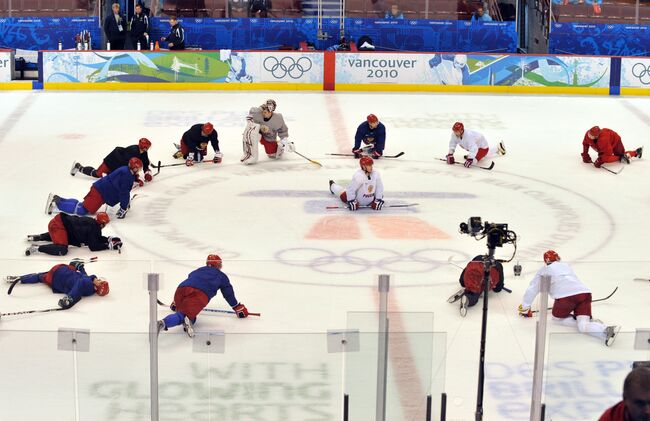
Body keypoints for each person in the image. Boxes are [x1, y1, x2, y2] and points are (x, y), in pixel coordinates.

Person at [518, 250, 619, 346]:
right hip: (585, 294)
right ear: (557, 258)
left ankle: (587, 322)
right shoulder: (566, 266)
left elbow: (533, 288)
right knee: (583, 326)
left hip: (566, 298)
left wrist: (525, 308)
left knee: (556, 318)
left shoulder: (544, 270)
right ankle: (605, 330)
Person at [158, 254, 249, 337]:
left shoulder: (197, 270)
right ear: (218, 265)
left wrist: (176, 303)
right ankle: (163, 323)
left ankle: (186, 319)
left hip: (181, 289)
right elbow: (228, 294)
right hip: (199, 294)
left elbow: (191, 282)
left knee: (189, 315)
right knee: (184, 315)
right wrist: (237, 307)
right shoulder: (221, 276)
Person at [46, 157, 142, 219]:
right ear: (134, 168)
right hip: (100, 193)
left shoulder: (125, 169)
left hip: (100, 189)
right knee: (82, 210)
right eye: (139, 169)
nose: (139, 170)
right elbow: (124, 192)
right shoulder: (127, 175)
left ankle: (59, 199)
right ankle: (56, 204)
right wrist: (123, 207)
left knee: (82, 205)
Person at [6, 261, 109, 309]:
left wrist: (70, 298)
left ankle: (19, 278)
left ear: (97, 287)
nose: (98, 279)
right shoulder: (89, 284)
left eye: (100, 282)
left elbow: (78, 287)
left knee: (39, 276)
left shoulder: (87, 284)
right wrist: (80, 267)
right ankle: (20, 279)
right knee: (39, 277)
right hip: (57, 277)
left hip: (60, 273)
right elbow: (83, 277)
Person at [25, 212, 122, 256]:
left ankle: (37, 237)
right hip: (58, 226)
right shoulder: (94, 228)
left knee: (63, 236)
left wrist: (108, 239)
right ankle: (36, 248)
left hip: (58, 222)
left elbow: (94, 237)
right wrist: (108, 246)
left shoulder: (92, 222)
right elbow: (93, 246)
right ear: (103, 223)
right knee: (62, 249)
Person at [71, 138, 153, 186]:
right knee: (97, 174)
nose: (148, 148)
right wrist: (135, 178)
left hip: (118, 164)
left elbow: (144, 163)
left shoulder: (143, 152)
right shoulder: (133, 151)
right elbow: (128, 168)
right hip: (111, 162)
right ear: (144, 147)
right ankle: (78, 166)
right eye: (148, 147)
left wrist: (147, 172)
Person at [241, 99, 293, 165]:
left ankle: (279, 148)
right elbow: (249, 118)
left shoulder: (278, 118)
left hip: (269, 138)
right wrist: (258, 126)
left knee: (272, 155)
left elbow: (283, 130)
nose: (263, 113)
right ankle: (250, 155)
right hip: (258, 134)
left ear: (271, 112)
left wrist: (284, 141)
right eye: (263, 111)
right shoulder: (257, 113)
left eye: (265, 112)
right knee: (252, 134)